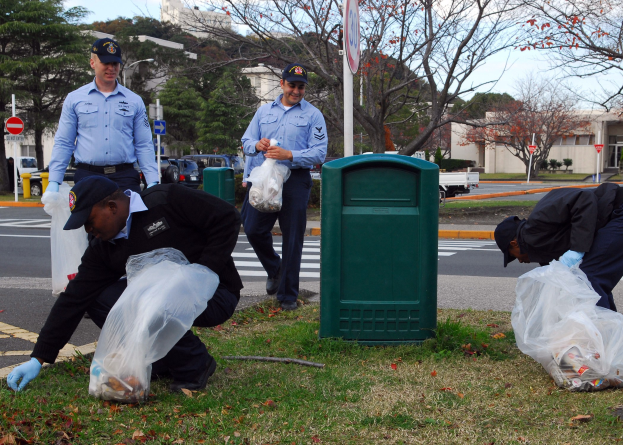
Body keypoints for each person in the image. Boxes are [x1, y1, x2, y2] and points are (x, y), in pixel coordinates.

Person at [7, 176, 242, 392]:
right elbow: (73, 299)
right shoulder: (103, 248)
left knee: (149, 297)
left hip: (216, 294)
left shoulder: (165, 200)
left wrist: (202, 272)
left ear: (112, 207)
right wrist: (38, 358)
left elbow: (226, 217)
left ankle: (194, 364)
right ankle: (160, 361)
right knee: (97, 299)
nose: (89, 231)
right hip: (161, 300)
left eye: (89, 222)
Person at [241, 63, 327, 311]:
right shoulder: (263, 111)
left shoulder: (313, 115)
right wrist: (257, 145)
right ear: (282, 84)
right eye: (292, 85)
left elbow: (319, 153)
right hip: (264, 179)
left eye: (301, 87)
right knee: (253, 228)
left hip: (295, 180)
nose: (296, 91)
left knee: (292, 238)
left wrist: (290, 154)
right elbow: (246, 140)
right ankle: (275, 269)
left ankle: (288, 296)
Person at [45, 38, 158, 195]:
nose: (111, 68)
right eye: (106, 63)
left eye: (115, 64)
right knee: (86, 220)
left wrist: (152, 180)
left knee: (130, 219)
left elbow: (144, 144)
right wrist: (54, 181)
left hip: (124, 177)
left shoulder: (134, 101)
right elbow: (64, 142)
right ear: (92, 63)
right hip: (88, 176)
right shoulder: (74, 99)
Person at [495, 183, 623, 311]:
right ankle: (608, 327)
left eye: (514, 255)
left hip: (617, 210)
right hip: (611, 220)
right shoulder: (542, 250)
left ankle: (599, 329)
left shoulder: (538, 222)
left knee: (588, 278)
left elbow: (584, 198)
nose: (521, 261)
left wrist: (577, 249)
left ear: (514, 243)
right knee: (589, 280)